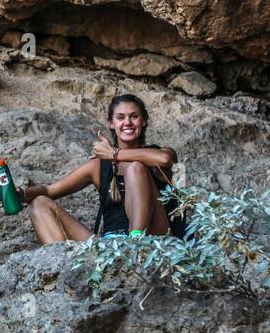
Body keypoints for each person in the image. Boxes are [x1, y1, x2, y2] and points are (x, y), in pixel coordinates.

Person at [21, 94, 178, 244]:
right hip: (110, 245)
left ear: (144, 121)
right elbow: (49, 191)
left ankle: (136, 242)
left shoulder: (158, 153)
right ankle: (62, 262)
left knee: (136, 168)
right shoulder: (99, 165)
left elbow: (165, 160)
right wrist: (21, 195)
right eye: (120, 117)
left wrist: (114, 154)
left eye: (134, 116)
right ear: (111, 123)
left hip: (152, 237)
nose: (127, 122)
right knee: (38, 203)